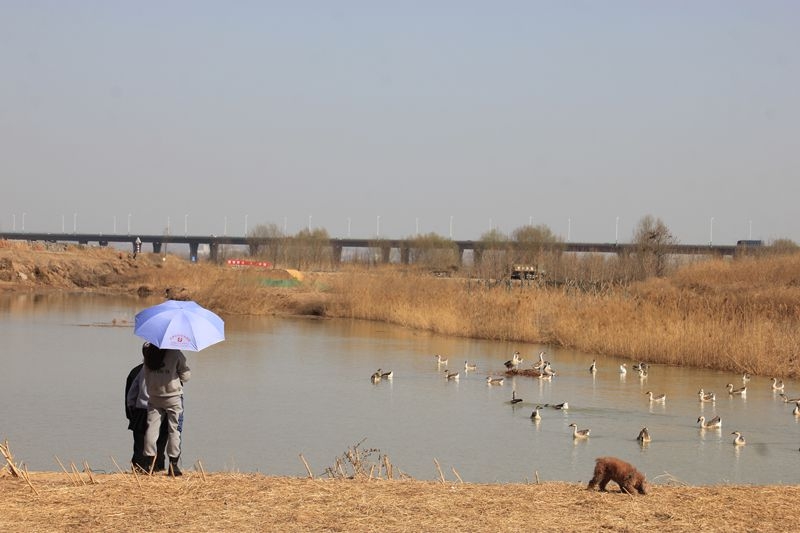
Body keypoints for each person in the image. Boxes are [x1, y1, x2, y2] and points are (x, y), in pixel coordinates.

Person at [142, 342, 190, 476]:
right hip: (173, 397)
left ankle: (149, 464)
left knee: (151, 428)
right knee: (174, 430)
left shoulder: (148, 352)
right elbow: (186, 377)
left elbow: (146, 374)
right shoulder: (175, 353)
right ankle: (173, 465)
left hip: (154, 396)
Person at [125, 352, 169, 472]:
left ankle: (140, 470)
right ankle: (157, 468)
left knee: (140, 445)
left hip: (141, 411)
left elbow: (130, 396)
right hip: (163, 412)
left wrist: (131, 415)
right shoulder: (170, 371)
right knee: (159, 445)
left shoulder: (137, 371)